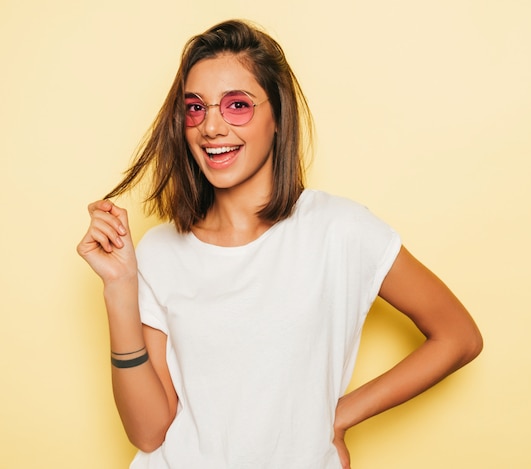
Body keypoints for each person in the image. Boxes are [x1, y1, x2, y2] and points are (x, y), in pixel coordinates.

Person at [77, 19, 482, 469]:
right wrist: (119, 287)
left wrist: (340, 417)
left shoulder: (339, 230)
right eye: (195, 107)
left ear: (278, 118)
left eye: (236, 105)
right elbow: (149, 432)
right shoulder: (158, 251)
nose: (210, 127)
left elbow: (459, 337)